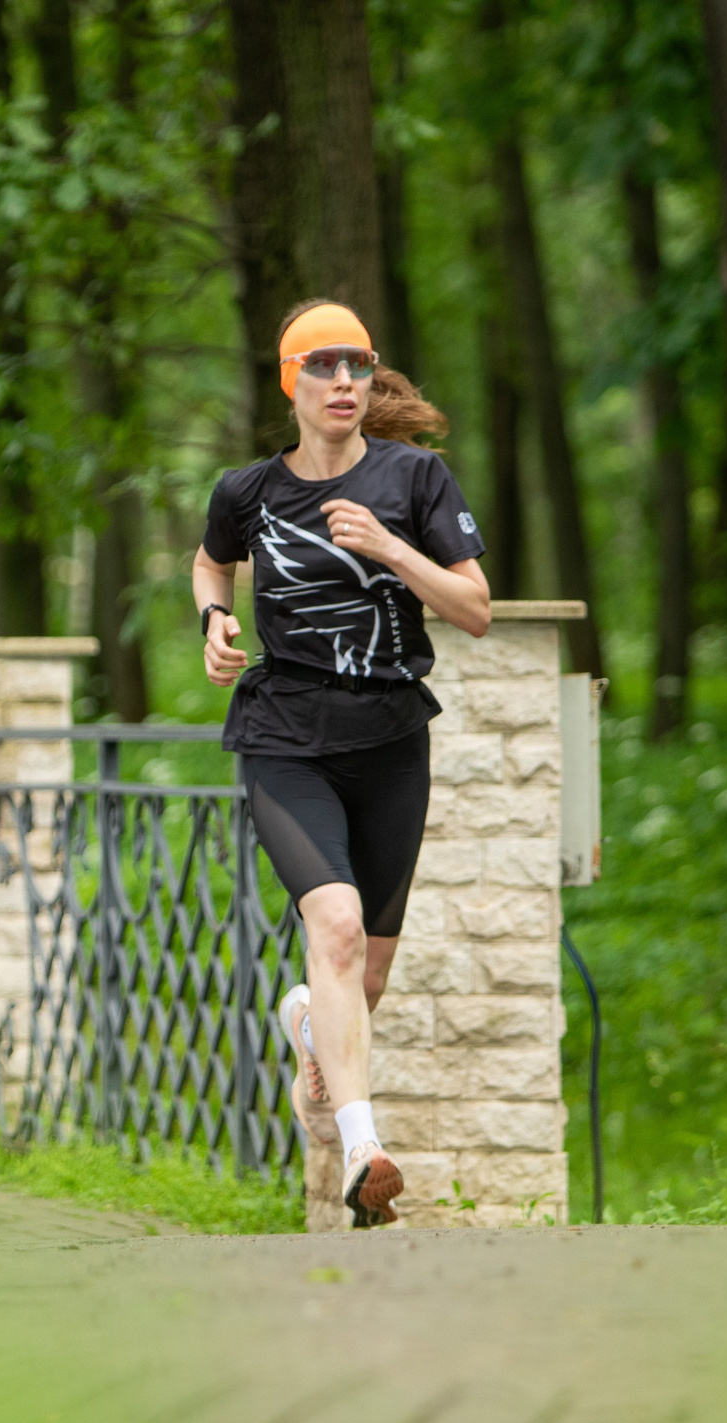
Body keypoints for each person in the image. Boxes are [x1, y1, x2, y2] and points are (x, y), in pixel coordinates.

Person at [193, 300, 493, 1226]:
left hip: (392, 739)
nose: (344, 383)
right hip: (285, 735)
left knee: (362, 974)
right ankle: (365, 1146)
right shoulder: (246, 492)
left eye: (358, 366)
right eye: (322, 367)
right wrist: (214, 617)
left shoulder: (417, 480)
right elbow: (210, 563)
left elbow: (475, 609)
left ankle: (306, 1031)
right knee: (334, 924)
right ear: (291, 381)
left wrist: (392, 545)